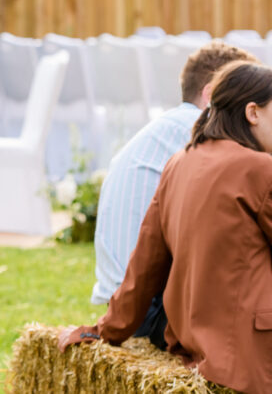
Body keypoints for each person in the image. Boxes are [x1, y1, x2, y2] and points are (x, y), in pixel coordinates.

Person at [60, 60, 272, 394]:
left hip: (196, 350)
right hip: (254, 357)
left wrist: (104, 331)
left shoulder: (179, 161)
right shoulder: (260, 169)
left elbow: (144, 265)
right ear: (253, 112)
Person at [91, 41, 254, 347]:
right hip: (148, 309)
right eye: (248, 104)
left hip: (128, 301)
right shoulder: (200, 135)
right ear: (211, 94)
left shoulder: (165, 130)